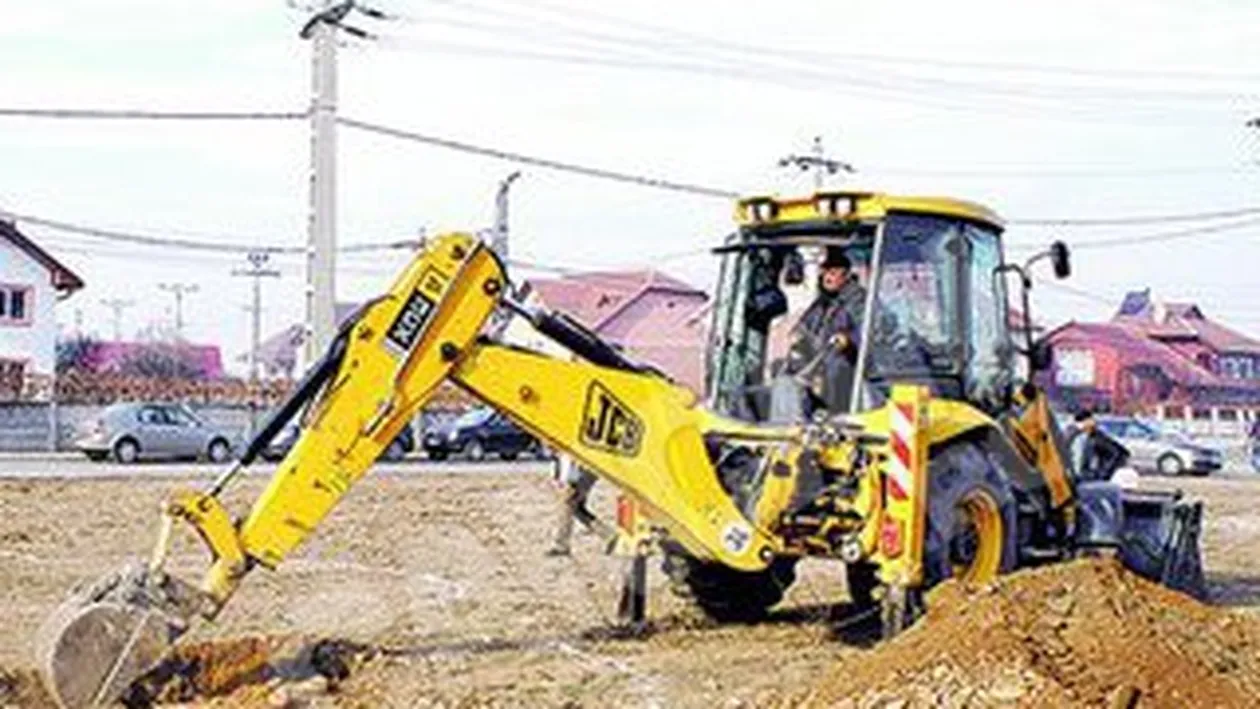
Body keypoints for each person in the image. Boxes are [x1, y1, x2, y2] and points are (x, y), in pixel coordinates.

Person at [784, 248, 867, 413]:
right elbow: (806, 325)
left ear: (847, 275)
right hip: (818, 359)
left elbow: (872, 331)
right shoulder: (823, 302)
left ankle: (834, 414)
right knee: (787, 371)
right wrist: (797, 334)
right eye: (825, 271)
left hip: (850, 364)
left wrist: (849, 339)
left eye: (833, 272)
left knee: (835, 367)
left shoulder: (859, 301)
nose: (827, 276)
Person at [545, 454, 607, 556]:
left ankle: (561, 545)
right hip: (584, 471)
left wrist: (568, 483)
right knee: (575, 507)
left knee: (569, 504)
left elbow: (569, 461)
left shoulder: (564, 449)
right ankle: (608, 535)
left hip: (581, 472)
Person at [1068, 409, 1130, 482]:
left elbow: (1118, 453)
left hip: (1088, 475)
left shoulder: (1095, 436)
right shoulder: (1077, 434)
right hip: (1082, 474)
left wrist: (1102, 474)